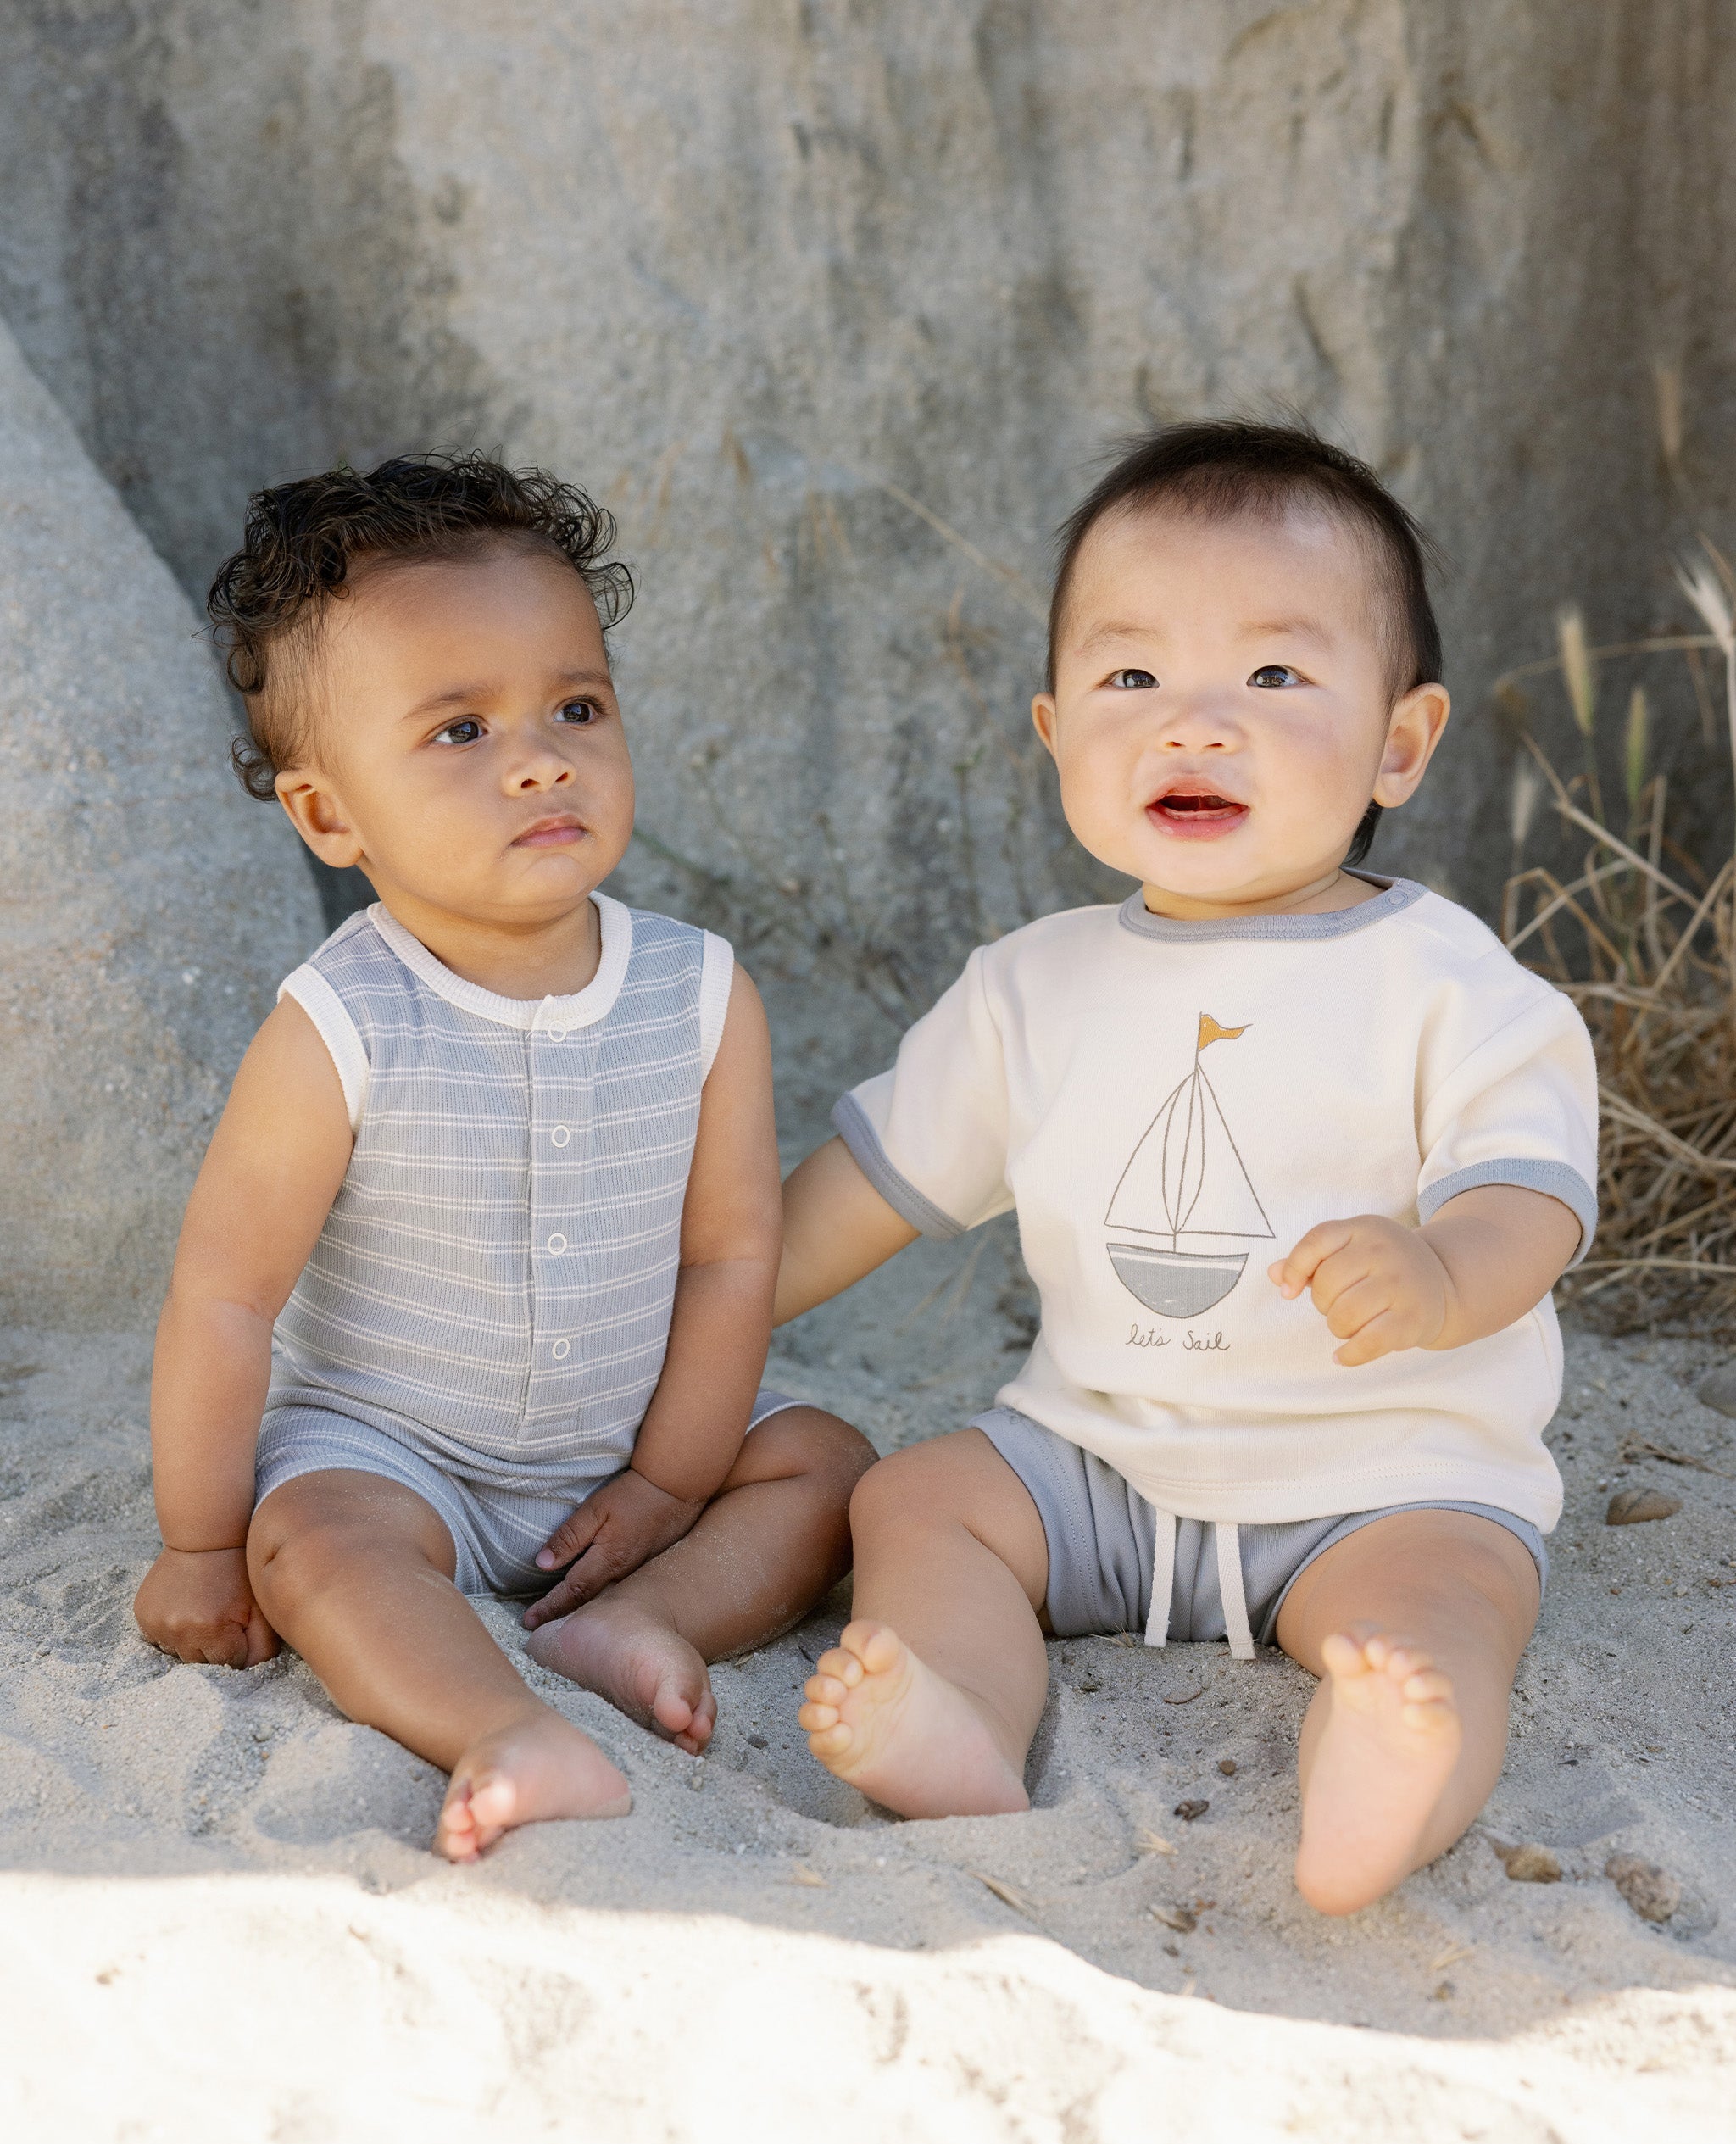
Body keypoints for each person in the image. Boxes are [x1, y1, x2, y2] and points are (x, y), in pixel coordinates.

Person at [776, 420, 1596, 1915]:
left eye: (1274, 677)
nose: (1193, 724)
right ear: (1052, 734)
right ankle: (957, 1715)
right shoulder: (1033, 986)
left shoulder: (1447, 983)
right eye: (1132, 677)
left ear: (1399, 745)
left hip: (1388, 1479)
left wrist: (1435, 1270)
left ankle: (1386, 1775)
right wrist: (710, 1297)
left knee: (1438, 1618)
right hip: (1095, 1463)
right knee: (918, 1503)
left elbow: (1527, 1198)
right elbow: (866, 1188)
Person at [134, 454, 872, 1861]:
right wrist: (198, 1543)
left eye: (575, 707)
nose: (541, 758)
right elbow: (222, 1298)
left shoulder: (699, 993)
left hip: (627, 1443)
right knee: (316, 1551)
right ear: (329, 817)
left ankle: (633, 1620)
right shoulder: (339, 1025)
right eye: (459, 730)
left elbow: (729, 1257)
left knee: (830, 1467)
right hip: (396, 1451)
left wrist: (666, 1484)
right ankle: (500, 1727)